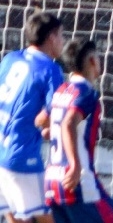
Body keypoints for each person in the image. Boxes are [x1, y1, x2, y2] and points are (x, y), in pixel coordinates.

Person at [45, 39, 113, 223]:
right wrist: (75, 165)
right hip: (77, 180)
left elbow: (42, 121)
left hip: (52, 180)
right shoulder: (86, 92)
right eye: (98, 56)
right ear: (92, 61)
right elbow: (68, 123)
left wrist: (53, 132)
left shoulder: (62, 90)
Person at [0, 12, 65, 223]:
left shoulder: (9, 59)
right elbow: (50, 116)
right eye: (61, 35)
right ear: (52, 37)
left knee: (16, 219)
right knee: (46, 218)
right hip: (21, 154)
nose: (63, 41)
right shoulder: (51, 69)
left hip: (1, 151)